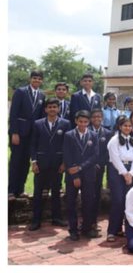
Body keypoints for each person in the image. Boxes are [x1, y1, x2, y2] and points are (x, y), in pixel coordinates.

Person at [28, 96, 67, 230]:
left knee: (56, 192)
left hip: (57, 164)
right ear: (45, 109)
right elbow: (33, 144)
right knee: (38, 192)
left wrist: (64, 163)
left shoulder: (65, 124)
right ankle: (36, 220)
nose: (52, 109)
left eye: (55, 107)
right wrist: (34, 161)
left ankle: (56, 218)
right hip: (41, 163)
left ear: (59, 108)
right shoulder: (38, 124)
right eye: (49, 107)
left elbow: (67, 146)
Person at [62, 111, 101, 240]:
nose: (83, 124)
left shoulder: (93, 135)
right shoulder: (69, 135)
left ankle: (86, 228)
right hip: (72, 175)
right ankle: (73, 229)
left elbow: (95, 156)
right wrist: (75, 175)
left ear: (89, 122)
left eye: (85, 122)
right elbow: (67, 156)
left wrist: (81, 167)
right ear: (76, 121)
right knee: (71, 202)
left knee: (88, 202)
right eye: (80, 122)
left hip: (89, 174)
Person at [9, 67, 45, 198]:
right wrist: (14, 132)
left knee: (25, 162)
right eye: (34, 78)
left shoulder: (42, 95)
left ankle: (20, 189)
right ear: (30, 79)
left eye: (39, 79)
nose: (37, 80)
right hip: (19, 133)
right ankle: (11, 190)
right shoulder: (21, 91)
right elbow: (13, 113)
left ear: (42, 81)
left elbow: (41, 117)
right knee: (16, 161)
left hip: (32, 135)